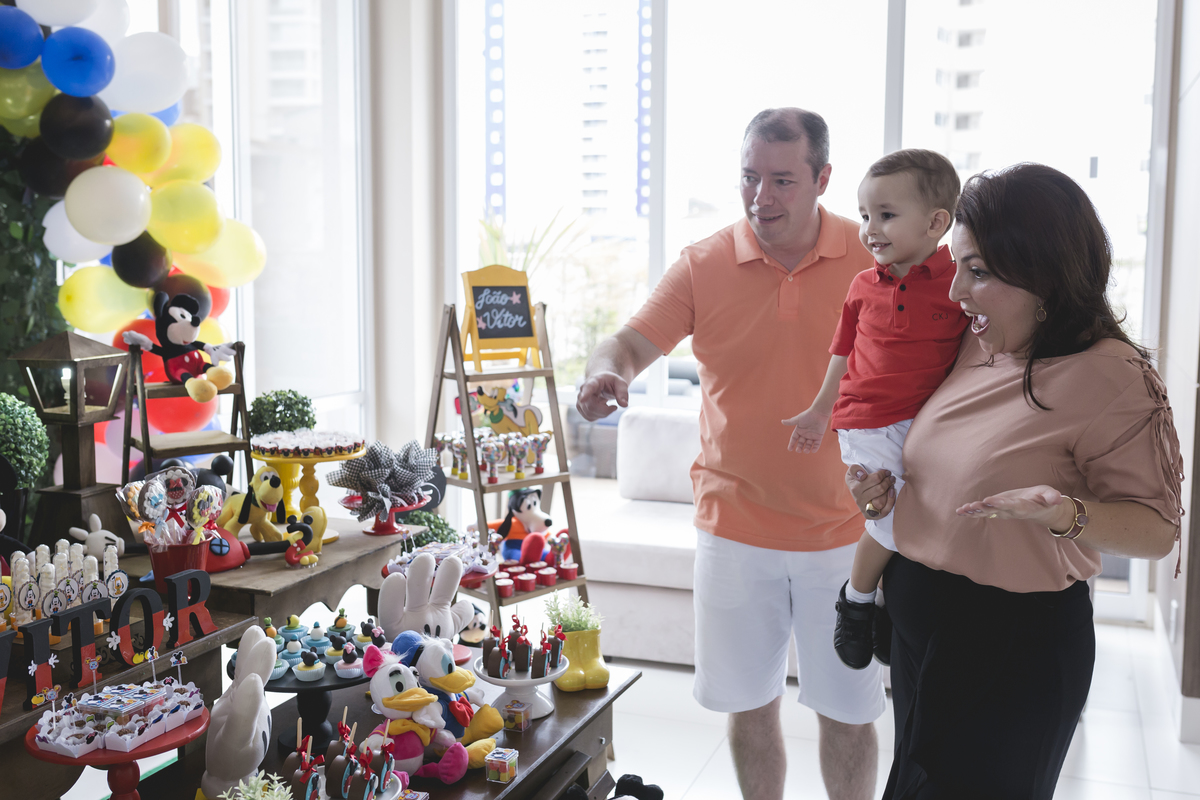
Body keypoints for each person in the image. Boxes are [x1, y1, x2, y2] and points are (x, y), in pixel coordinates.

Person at [845, 163, 1184, 799]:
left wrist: (1066, 515)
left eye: (977, 272)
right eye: (958, 267)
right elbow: (927, 458)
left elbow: (1158, 532)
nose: (956, 293)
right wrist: (875, 488)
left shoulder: (1112, 377)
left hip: (1009, 647)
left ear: (1045, 273)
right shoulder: (979, 340)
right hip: (924, 630)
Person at [577, 108, 884, 800]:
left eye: (781, 180)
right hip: (733, 530)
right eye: (750, 178)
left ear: (822, 179)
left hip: (844, 535)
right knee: (750, 710)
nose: (761, 197)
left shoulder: (870, 258)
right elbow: (626, 343)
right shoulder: (705, 263)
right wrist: (606, 373)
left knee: (848, 714)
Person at [783, 149, 966, 670]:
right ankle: (858, 601)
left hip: (928, 422)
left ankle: (884, 598)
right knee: (888, 519)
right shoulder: (863, 284)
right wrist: (820, 411)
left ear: (936, 222)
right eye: (865, 216)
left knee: (925, 515)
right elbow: (842, 352)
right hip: (870, 420)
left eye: (885, 215)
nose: (870, 229)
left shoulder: (958, 283)